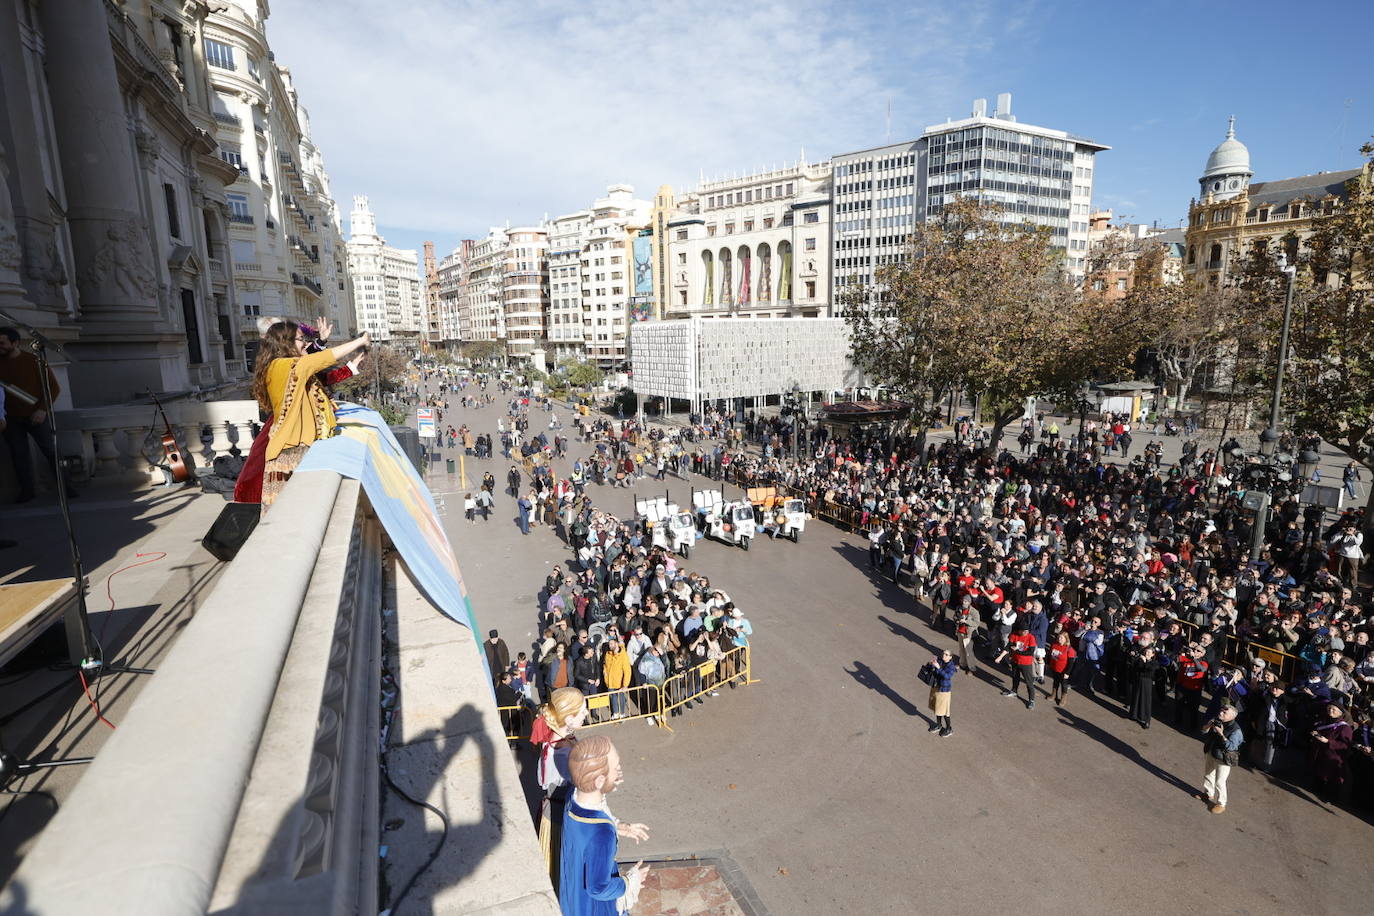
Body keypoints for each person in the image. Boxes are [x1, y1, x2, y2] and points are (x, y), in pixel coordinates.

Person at [251, 321, 370, 507]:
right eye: (301, 339)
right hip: (289, 452)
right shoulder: (284, 366)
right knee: (290, 513)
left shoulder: (288, 366)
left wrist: (349, 366)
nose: (305, 343)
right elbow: (325, 358)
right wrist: (360, 341)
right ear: (286, 342)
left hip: (296, 448)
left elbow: (320, 374)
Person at [560, 735, 649, 916]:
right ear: (599, 781)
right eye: (616, 768)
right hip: (592, 907)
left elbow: (587, 827)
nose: (620, 772)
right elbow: (598, 888)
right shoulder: (602, 833)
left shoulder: (573, 796)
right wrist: (631, 881)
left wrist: (618, 826)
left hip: (573, 889)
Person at [0, 326, 76, 501]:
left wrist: (42, 410)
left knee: (52, 451)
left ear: (15, 342)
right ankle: (27, 491)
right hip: (10, 419)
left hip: (36, 415)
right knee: (18, 455)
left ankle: (66, 486)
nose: (0, 347)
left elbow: (54, 388)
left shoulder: (34, 361)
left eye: (2, 343)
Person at [530, 687, 587, 886]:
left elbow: (541, 779)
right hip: (563, 818)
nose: (586, 714)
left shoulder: (552, 743)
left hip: (551, 811)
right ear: (569, 719)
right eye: (582, 711)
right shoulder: (563, 753)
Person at [1199, 701, 1243, 814]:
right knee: (1208, 774)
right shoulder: (1216, 720)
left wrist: (1221, 734)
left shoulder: (1236, 731)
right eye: (1222, 711)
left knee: (1220, 781)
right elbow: (1203, 731)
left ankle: (1221, 803)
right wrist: (1209, 725)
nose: (1221, 713)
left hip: (1223, 758)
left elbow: (1231, 747)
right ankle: (1208, 794)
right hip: (1211, 751)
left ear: (1232, 717)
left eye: (1225, 713)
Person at [1309, 701, 1353, 802]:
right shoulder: (1324, 721)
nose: (1330, 711)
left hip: (1333, 757)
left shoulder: (1345, 727)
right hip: (1320, 753)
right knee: (1318, 774)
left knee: (1330, 779)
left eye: (1334, 709)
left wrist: (1328, 742)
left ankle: (1330, 798)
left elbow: (1345, 745)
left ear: (1340, 713)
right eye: (1329, 708)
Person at [997, 621, 1039, 709]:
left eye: (1027, 631)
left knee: (1029, 682)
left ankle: (1031, 700)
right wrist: (1000, 657)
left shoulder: (1031, 637)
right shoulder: (1014, 635)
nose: (1025, 632)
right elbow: (1008, 647)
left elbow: (1030, 652)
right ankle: (1014, 691)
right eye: (1024, 631)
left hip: (1026, 663)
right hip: (1015, 661)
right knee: (1015, 677)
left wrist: (1017, 651)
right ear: (1019, 630)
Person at [926, 649, 958, 736]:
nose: (944, 655)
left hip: (944, 691)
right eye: (943, 653)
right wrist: (932, 663)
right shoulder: (940, 660)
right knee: (937, 709)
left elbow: (947, 676)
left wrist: (939, 668)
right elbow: (934, 670)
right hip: (936, 687)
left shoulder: (951, 667)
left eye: (946, 654)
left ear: (950, 657)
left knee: (945, 712)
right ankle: (939, 725)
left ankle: (949, 729)